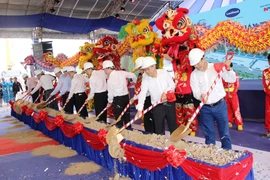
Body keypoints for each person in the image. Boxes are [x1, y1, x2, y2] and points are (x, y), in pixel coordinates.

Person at [189, 48, 236, 149]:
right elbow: (195, 92)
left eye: (197, 63)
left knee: (225, 133)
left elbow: (231, 79)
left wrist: (228, 69)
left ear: (203, 58)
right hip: (205, 108)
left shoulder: (216, 68)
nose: (196, 66)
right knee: (209, 135)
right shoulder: (193, 75)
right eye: (194, 65)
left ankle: (227, 153)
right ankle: (211, 155)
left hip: (220, 106)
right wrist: (200, 95)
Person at [135, 57, 177, 135]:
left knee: (173, 126)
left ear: (154, 66)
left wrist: (165, 92)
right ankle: (160, 145)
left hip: (169, 103)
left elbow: (172, 85)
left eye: (148, 69)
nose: (147, 72)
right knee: (159, 129)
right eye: (145, 70)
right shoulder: (145, 78)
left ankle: (175, 144)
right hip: (157, 106)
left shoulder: (163, 72)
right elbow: (142, 93)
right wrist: (140, 109)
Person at [103, 60, 137, 128]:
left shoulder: (110, 80)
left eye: (105, 69)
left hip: (118, 100)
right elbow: (133, 75)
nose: (104, 71)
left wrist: (109, 102)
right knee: (127, 116)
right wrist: (135, 82)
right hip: (126, 98)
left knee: (118, 118)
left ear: (109, 68)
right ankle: (129, 131)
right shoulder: (121, 73)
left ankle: (119, 133)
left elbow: (110, 93)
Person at [133, 57, 155, 133]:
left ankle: (151, 134)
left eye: (139, 68)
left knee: (150, 119)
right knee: (147, 119)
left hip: (149, 98)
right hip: (144, 99)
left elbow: (143, 91)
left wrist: (135, 97)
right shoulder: (141, 75)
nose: (139, 70)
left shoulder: (147, 76)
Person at [222, 63, 243, 131]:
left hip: (233, 95)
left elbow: (237, 85)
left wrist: (233, 93)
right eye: (226, 66)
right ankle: (229, 121)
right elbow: (221, 85)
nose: (226, 67)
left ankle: (239, 123)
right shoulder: (223, 75)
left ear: (230, 66)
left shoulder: (235, 74)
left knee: (236, 109)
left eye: (228, 66)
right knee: (227, 109)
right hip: (225, 94)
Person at [262, 54, 270, 137]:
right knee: (268, 112)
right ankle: (269, 130)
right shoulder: (266, 72)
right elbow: (265, 85)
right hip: (269, 95)